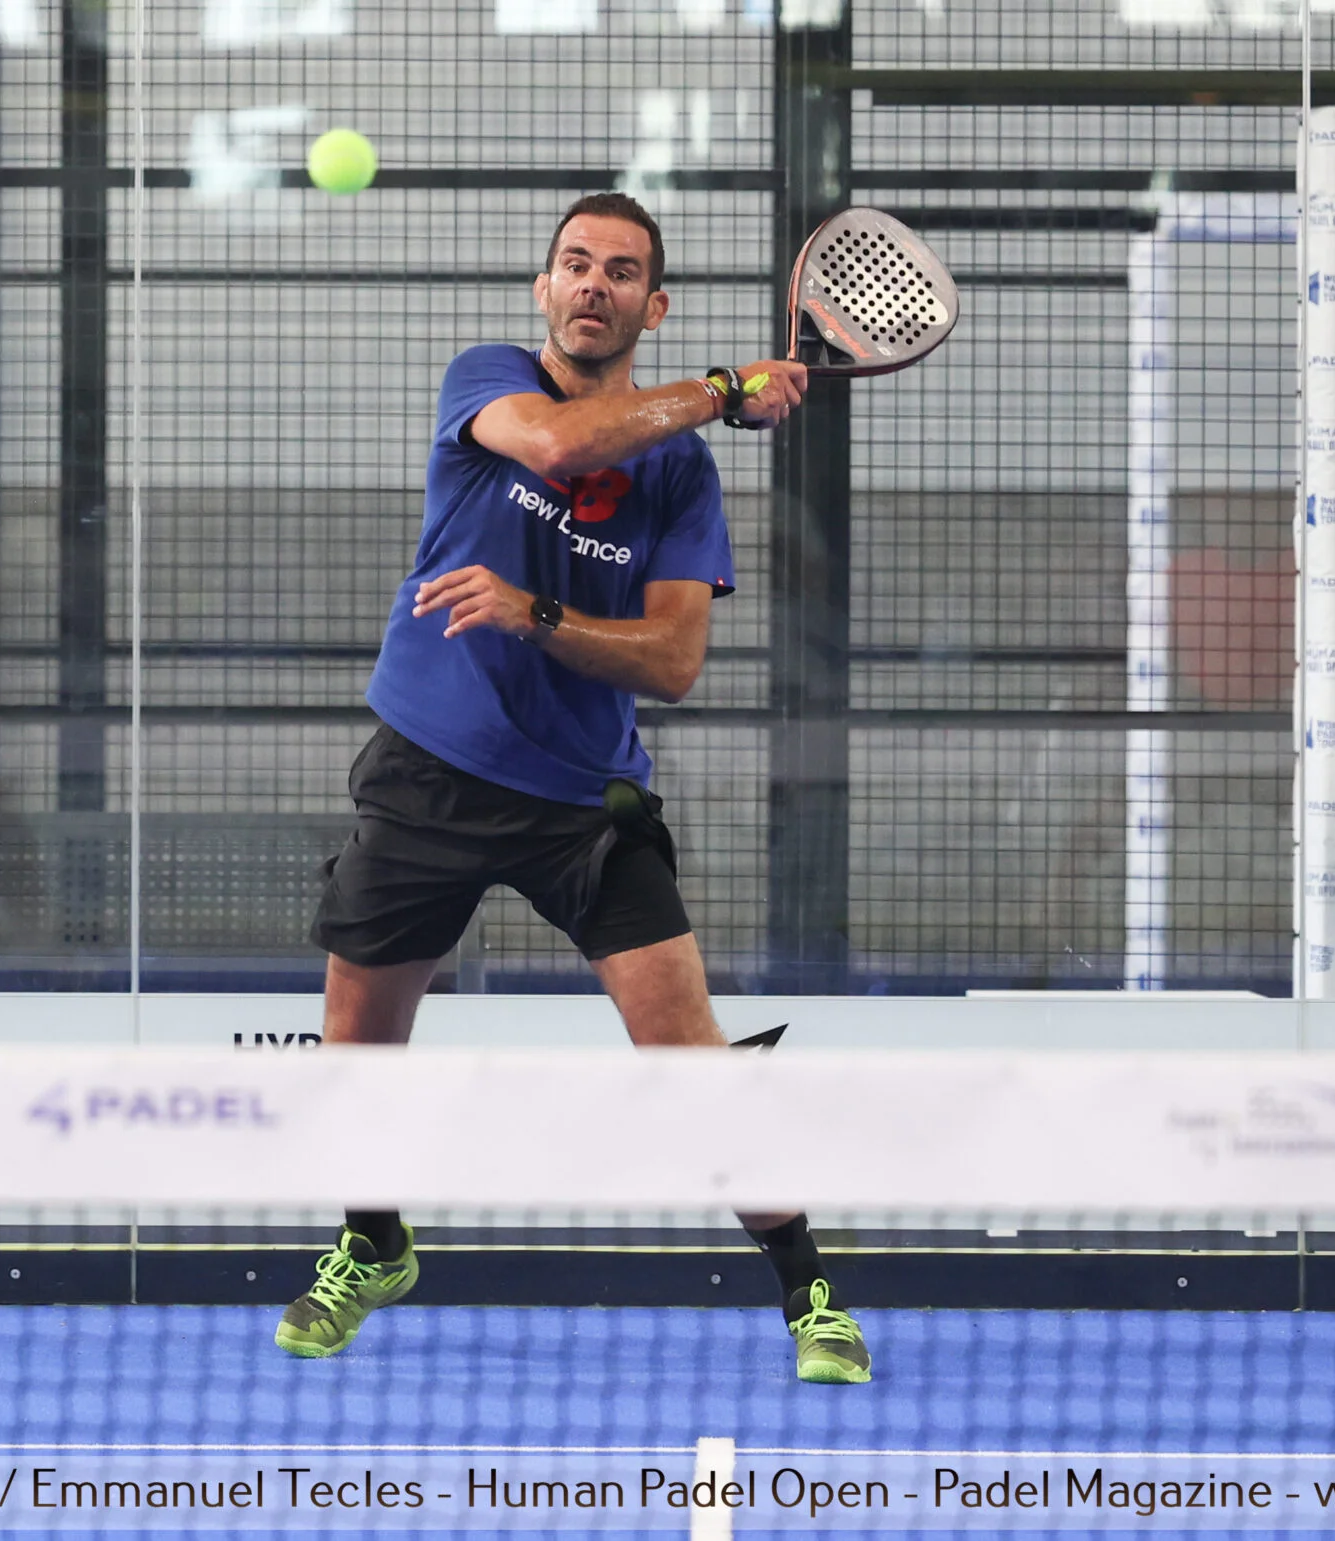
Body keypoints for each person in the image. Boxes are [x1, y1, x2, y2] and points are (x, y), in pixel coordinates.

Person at [273, 191, 870, 1385]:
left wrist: (535, 611)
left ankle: (809, 1289)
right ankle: (372, 1241)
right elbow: (556, 447)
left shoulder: (681, 479)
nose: (592, 284)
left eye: (621, 271)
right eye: (574, 265)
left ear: (654, 304)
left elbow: (676, 663)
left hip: (584, 807)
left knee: (689, 1054)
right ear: (544, 291)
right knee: (356, 1046)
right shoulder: (487, 379)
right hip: (426, 774)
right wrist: (728, 385)